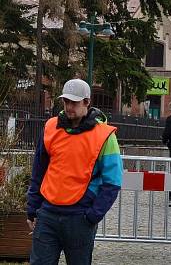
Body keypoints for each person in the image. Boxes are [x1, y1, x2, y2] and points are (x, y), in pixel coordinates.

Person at [27, 79, 123, 264]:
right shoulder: (51, 128)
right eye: (66, 102)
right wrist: (32, 208)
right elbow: (39, 171)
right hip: (48, 213)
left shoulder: (104, 136)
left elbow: (112, 182)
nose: (69, 107)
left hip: (80, 217)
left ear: (87, 102)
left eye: (74, 102)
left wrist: (93, 215)